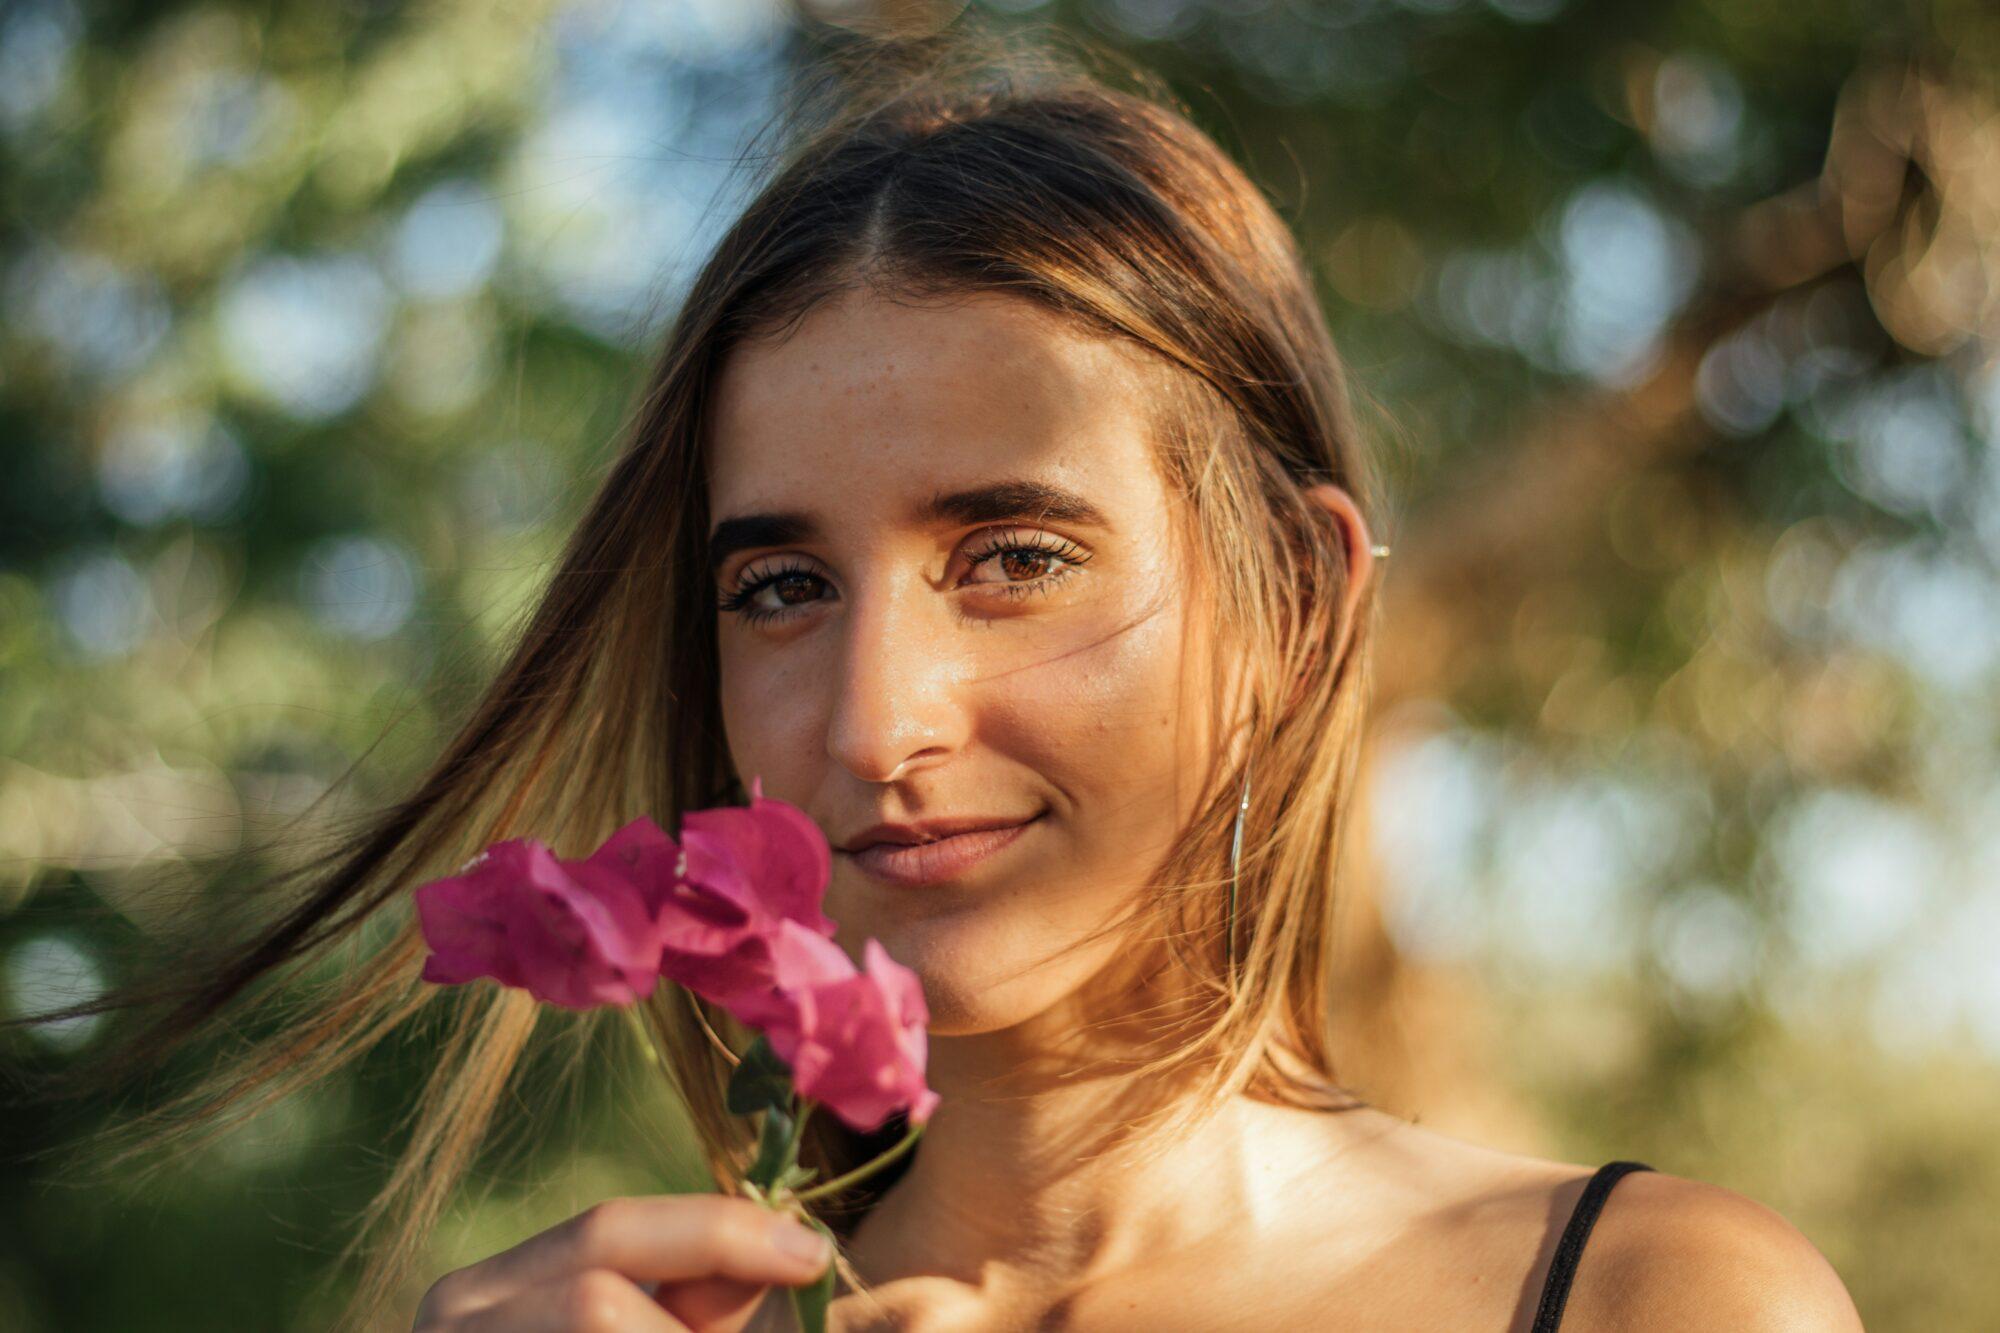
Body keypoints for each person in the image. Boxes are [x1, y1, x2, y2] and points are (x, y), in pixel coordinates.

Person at [31, 31, 1864, 1333]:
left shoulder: (1663, 1303)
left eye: (1014, 558)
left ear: (1297, 605)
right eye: (780, 585)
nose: (870, 719)